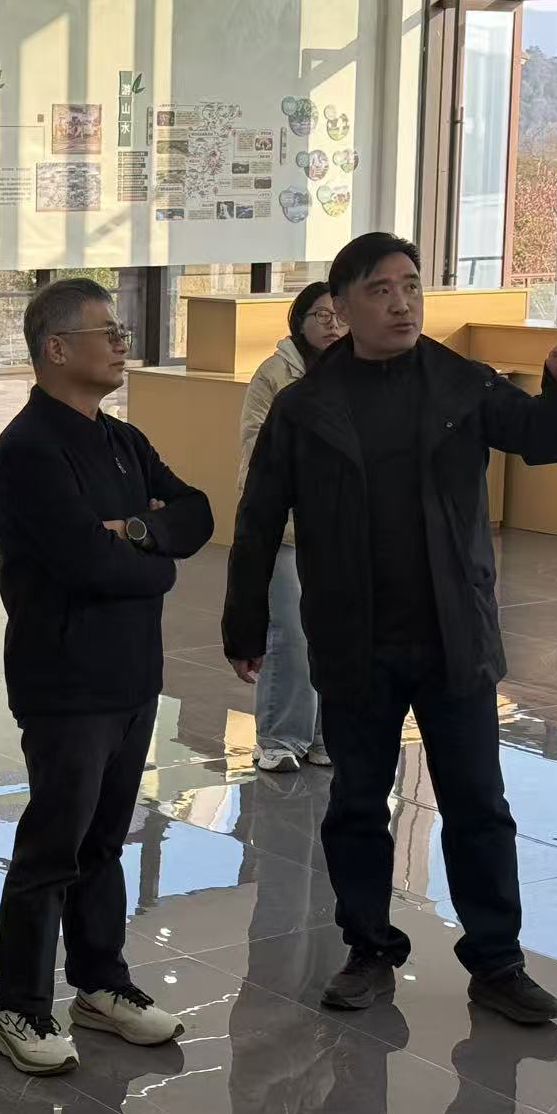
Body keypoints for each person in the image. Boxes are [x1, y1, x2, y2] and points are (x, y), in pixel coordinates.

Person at [222, 233, 557, 1026]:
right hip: (354, 635)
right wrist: (244, 622)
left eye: (411, 286)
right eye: (380, 290)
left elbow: (541, 441)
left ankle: (497, 962)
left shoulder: (461, 382)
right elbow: (259, 517)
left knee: (478, 802)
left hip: (451, 631)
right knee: (358, 803)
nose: (402, 304)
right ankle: (368, 949)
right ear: (341, 306)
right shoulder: (305, 406)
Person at [0, 277, 214, 1076]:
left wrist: (137, 532)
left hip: (131, 673)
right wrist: (155, 557)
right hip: (66, 679)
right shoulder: (28, 449)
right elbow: (88, 562)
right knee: (54, 844)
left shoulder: (122, 440)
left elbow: (197, 514)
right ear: (56, 349)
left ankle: (100, 983)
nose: (122, 344)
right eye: (107, 333)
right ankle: (19, 1005)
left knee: (106, 840)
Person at [236, 281, 340, 773]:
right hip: (287, 528)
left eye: (339, 315)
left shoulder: (356, 372)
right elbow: (255, 451)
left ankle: (324, 737)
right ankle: (279, 738)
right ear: (299, 321)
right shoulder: (274, 375)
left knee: (334, 636)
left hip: (339, 532)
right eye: (321, 315)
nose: (333, 325)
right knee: (292, 636)